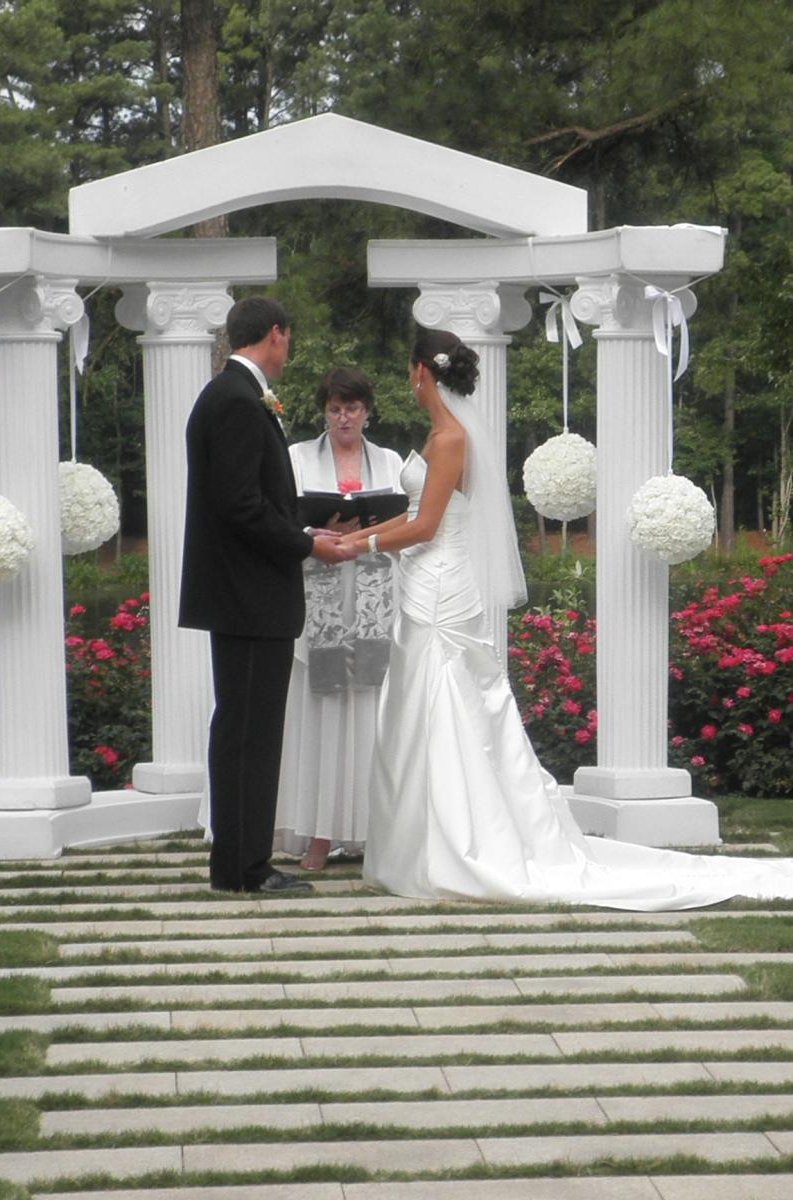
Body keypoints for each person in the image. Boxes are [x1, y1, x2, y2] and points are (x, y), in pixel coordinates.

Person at [339, 327, 793, 910]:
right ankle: (417, 848)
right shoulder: (440, 435)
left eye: (409, 368)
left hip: (440, 590)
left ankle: (458, 847)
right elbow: (415, 514)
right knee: (420, 711)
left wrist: (362, 548)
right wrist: (357, 537)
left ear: (420, 372)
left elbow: (426, 527)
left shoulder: (450, 439)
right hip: (423, 583)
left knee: (448, 712)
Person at [179, 296, 355, 895]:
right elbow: (239, 505)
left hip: (247, 593)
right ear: (275, 334)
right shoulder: (234, 400)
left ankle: (243, 862)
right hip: (248, 595)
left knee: (248, 729)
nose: (289, 349)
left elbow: (252, 501)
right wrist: (306, 547)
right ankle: (243, 868)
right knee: (248, 732)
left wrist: (302, 530)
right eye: (289, 338)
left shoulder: (232, 395)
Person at [274, 367, 404, 871]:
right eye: (334, 408)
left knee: (370, 708)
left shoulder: (390, 461)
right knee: (323, 709)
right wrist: (320, 528)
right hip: (320, 587)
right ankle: (320, 833)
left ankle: (373, 829)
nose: (343, 417)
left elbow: (407, 517)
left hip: (373, 591)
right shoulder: (298, 457)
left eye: (352, 408)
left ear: (368, 411)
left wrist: (366, 529)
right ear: (323, 411)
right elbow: (281, 515)